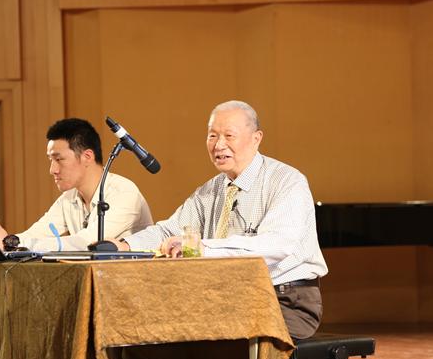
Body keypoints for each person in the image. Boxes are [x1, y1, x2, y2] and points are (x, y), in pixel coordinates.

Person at [114, 100, 328, 340]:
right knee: (149, 330)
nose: (219, 145)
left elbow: (277, 245)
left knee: (206, 340)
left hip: (285, 299)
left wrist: (201, 249)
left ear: (256, 138)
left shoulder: (287, 181)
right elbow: (168, 231)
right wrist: (123, 246)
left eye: (229, 135)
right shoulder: (210, 191)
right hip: (228, 297)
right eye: (212, 136)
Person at [0, 118, 153, 252]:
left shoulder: (124, 193)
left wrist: (8, 242)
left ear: (87, 157)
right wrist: (0, 240)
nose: (52, 170)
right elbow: (36, 233)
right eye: (51, 160)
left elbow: (85, 243)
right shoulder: (69, 197)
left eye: (59, 159)